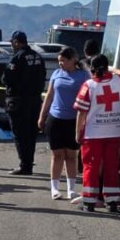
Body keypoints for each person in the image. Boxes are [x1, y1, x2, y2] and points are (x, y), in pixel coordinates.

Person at [74, 54, 120, 213]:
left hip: (93, 133)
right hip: (116, 131)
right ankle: (112, 202)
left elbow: (81, 113)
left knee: (91, 166)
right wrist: (111, 69)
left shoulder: (89, 85)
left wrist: (78, 132)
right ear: (107, 67)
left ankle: (89, 202)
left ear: (91, 68)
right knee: (111, 166)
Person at [37, 47, 90, 201]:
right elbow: (49, 95)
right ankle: (54, 188)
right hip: (55, 118)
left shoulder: (83, 76)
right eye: (59, 61)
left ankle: (71, 189)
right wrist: (42, 116)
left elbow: (88, 97)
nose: (60, 63)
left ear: (73, 59)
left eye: (63, 61)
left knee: (71, 155)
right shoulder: (56, 74)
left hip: (74, 120)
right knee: (57, 155)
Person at [2, 30, 45, 175]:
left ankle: (24, 165)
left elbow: (6, 78)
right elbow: (42, 77)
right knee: (31, 134)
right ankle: (29, 163)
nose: (12, 45)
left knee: (19, 134)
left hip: (19, 102)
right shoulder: (38, 56)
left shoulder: (17, 57)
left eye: (12, 43)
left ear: (16, 42)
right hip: (35, 101)